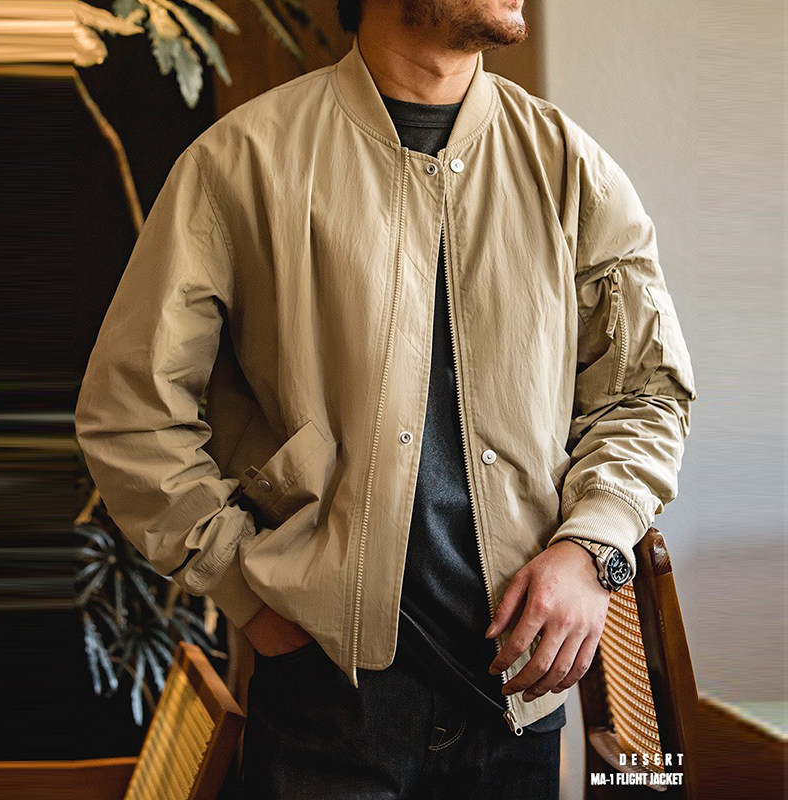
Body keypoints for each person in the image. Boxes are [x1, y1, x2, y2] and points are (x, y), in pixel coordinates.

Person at [74, 0, 698, 797]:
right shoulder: (239, 162)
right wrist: (241, 586)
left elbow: (646, 393)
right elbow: (130, 413)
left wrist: (591, 546)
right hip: (323, 699)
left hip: (517, 704)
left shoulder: (571, 167)